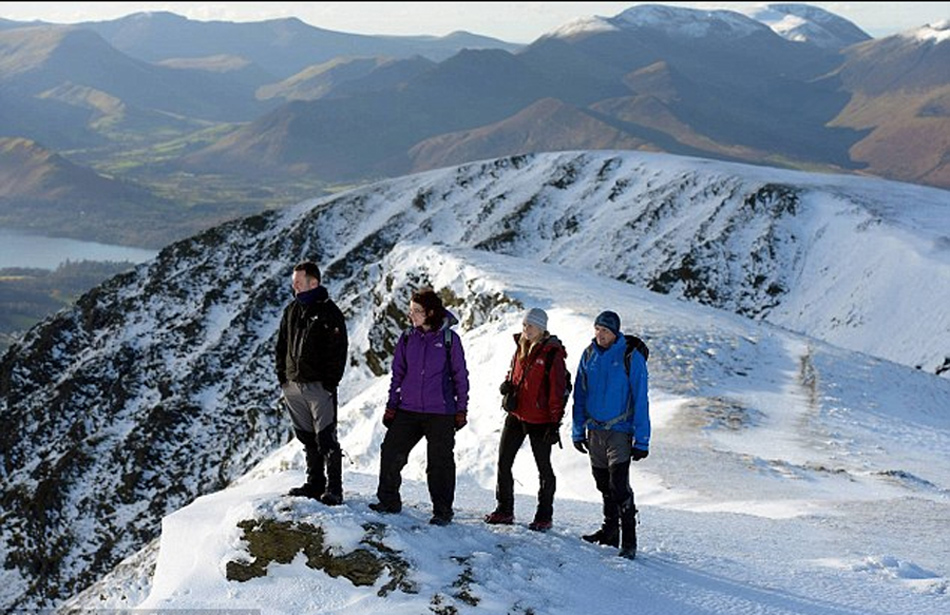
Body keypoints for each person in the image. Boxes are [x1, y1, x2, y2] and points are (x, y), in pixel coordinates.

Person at [370, 287, 470, 526]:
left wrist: (461, 409)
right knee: (391, 451)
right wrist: (392, 406)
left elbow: (460, 376)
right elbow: (398, 374)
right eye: (410, 310)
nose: (410, 315)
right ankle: (388, 500)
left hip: (440, 412)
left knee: (440, 463)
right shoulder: (407, 338)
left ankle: (442, 511)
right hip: (408, 409)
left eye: (417, 311)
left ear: (431, 313)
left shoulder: (449, 340)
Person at [571, 310, 650, 559]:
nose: (600, 334)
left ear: (615, 333)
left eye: (605, 330)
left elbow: (641, 397)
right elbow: (579, 395)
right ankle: (609, 532)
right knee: (603, 484)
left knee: (619, 485)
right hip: (594, 430)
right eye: (597, 329)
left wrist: (642, 439)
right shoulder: (589, 354)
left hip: (620, 431)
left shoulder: (630, 356)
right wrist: (577, 430)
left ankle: (629, 540)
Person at [485, 307, 567, 531]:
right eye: (524, 325)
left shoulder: (552, 353)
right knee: (503, 462)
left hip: (540, 421)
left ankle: (544, 517)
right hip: (516, 415)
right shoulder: (520, 346)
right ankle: (504, 510)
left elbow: (557, 391)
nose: (526, 329)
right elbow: (515, 373)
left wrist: (554, 423)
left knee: (544, 469)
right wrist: (507, 385)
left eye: (530, 326)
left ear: (541, 328)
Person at [276, 260, 349, 505]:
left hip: (319, 387)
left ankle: (334, 489)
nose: (294, 286)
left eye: (298, 282)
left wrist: (329, 383)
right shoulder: (291, 310)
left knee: (326, 438)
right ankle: (314, 483)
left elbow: (339, 351)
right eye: (293, 282)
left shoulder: (330, 313)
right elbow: (281, 346)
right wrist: (283, 378)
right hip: (293, 385)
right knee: (307, 437)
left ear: (313, 282)